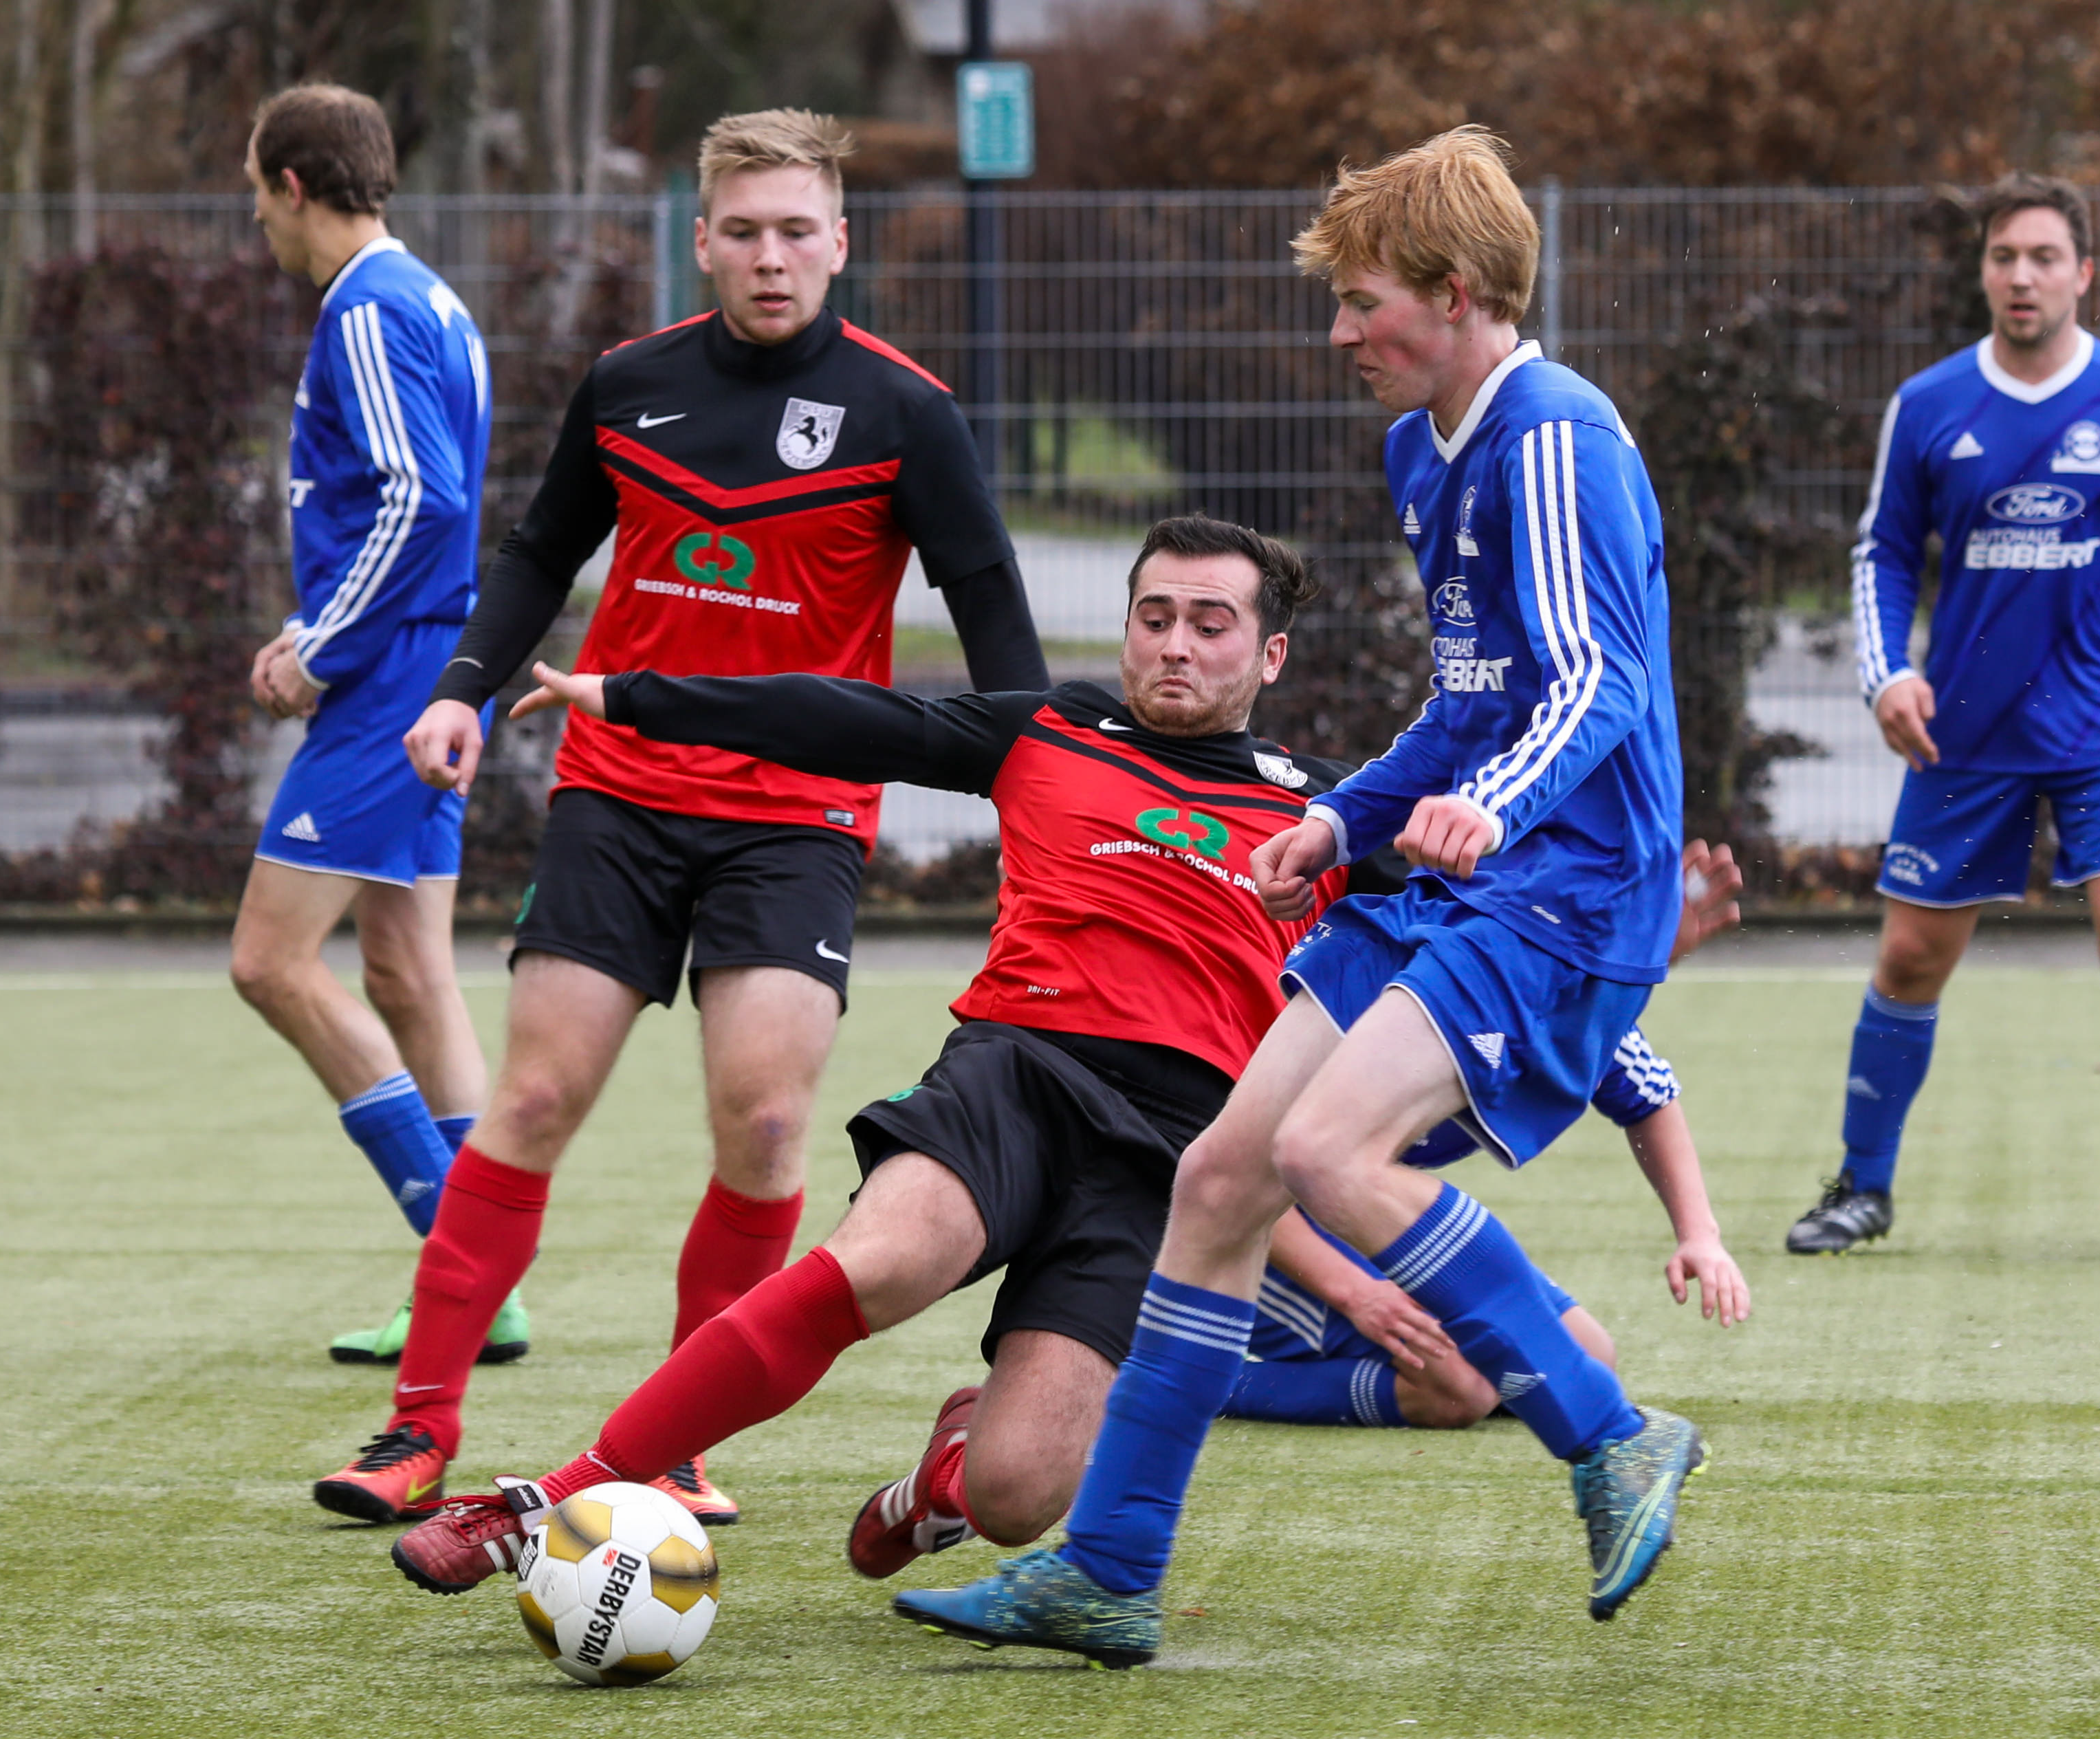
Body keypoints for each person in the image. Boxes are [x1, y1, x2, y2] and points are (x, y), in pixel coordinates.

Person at [892, 124, 1700, 1668]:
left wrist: (1492, 804)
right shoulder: (1426, 451)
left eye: (1361, 300)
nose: (1338, 332)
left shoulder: (1552, 439)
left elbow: (1594, 682)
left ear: (1455, 294)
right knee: (1220, 1177)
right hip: (1481, 876)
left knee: (1327, 1152)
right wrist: (1343, 820)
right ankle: (1108, 1568)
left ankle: (1610, 1430)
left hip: (1570, 888)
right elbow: (1468, 700)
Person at [367, 515, 1374, 1593]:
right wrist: (634, 695)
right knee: (881, 1262)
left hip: (1169, 1155)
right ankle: (546, 1502)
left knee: (1015, 1496)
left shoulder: (1334, 812)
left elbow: (1476, 920)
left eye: (1209, 625)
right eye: (1153, 617)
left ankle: (944, 1475)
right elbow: (844, 718)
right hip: (1018, 1073)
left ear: (1268, 653)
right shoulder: (1050, 727)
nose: (1174, 644)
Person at [310, 107, 1048, 1529]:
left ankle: (677, 1440)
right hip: (620, 793)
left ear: (839, 243)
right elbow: (539, 552)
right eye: (744, 231)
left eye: (797, 232)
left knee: (765, 1124)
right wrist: (464, 689)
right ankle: (417, 1426)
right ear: (701, 239)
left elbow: (993, 613)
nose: (771, 257)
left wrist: (1044, 778)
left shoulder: (906, 411)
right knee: (533, 1099)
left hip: (797, 817)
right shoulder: (628, 383)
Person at [1787, 174, 2100, 1263]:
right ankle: (1861, 1186)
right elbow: (1881, 552)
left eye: (2043, 257)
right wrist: (1884, 677)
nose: (2021, 276)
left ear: (2081, 274)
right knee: (1910, 955)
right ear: (1983, 272)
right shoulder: (1929, 403)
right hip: (1965, 727)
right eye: (2003, 256)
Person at [222, 83, 526, 1368]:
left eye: (257, 192)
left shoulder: (366, 306)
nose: (256, 218)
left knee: (270, 962)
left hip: (395, 675)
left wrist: (318, 647)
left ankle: (462, 1271)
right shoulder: (429, 298)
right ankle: (483, 1286)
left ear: (295, 185)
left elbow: (420, 499)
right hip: (428, 663)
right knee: (406, 968)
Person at [1227, 1032, 1749, 1432]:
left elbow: (1649, 1099)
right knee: (1457, 1391)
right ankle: (1205, 1376)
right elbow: (1233, 1172)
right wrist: (1356, 1293)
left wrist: (1699, 1236)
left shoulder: (1580, 990)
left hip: (1361, 1201)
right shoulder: (1408, 989)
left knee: (1585, 1359)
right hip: (1258, 1216)